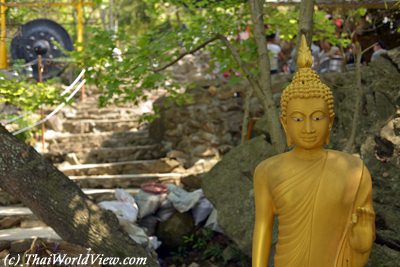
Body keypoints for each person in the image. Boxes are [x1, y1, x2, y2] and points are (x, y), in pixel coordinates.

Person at [252, 35, 375, 267]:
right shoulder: (267, 171)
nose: (308, 128)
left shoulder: (354, 170)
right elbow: (262, 228)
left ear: (330, 122)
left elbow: (360, 242)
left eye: (317, 118)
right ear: (284, 123)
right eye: (298, 119)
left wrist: (361, 242)